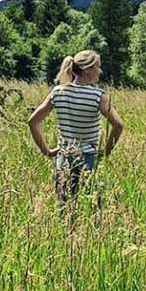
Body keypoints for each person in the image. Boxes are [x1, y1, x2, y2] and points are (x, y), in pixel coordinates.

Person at [26, 49, 124, 203]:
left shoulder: (58, 92)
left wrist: (47, 151)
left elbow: (32, 122)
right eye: (98, 67)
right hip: (88, 157)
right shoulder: (98, 96)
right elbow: (118, 124)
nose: (100, 71)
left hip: (63, 156)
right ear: (87, 70)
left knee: (64, 207)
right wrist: (106, 151)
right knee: (90, 206)